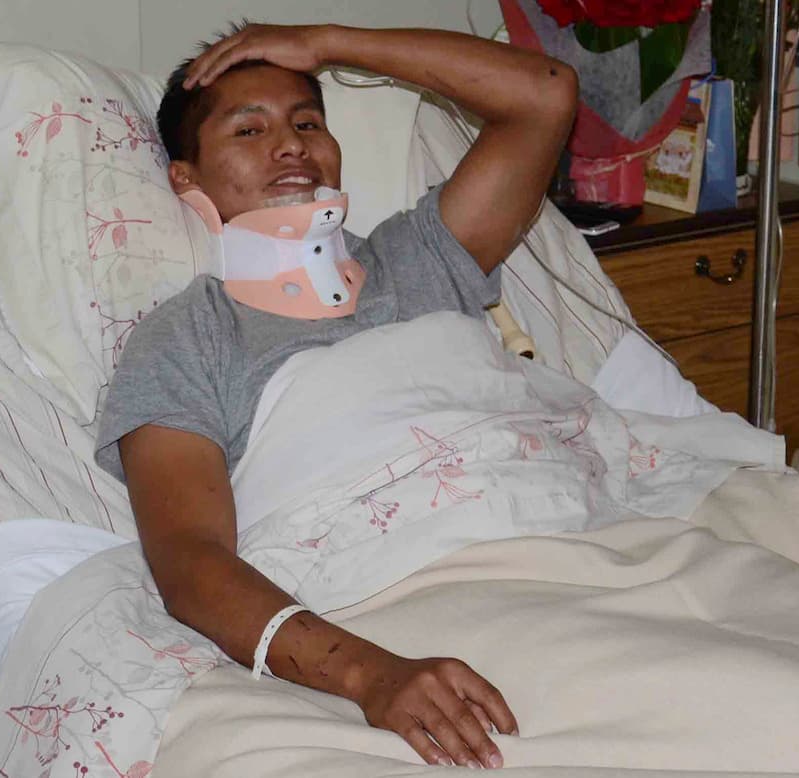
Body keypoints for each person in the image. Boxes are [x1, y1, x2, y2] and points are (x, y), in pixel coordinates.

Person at [94, 22, 577, 770]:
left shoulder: (419, 258)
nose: (290, 145)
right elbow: (189, 563)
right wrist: (371, 675)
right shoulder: (187, 337)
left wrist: (327, 44)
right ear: (186, 179)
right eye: (249, 129)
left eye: (307, 123)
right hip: (400, 607)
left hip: (569, 554)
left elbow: (545, 95)